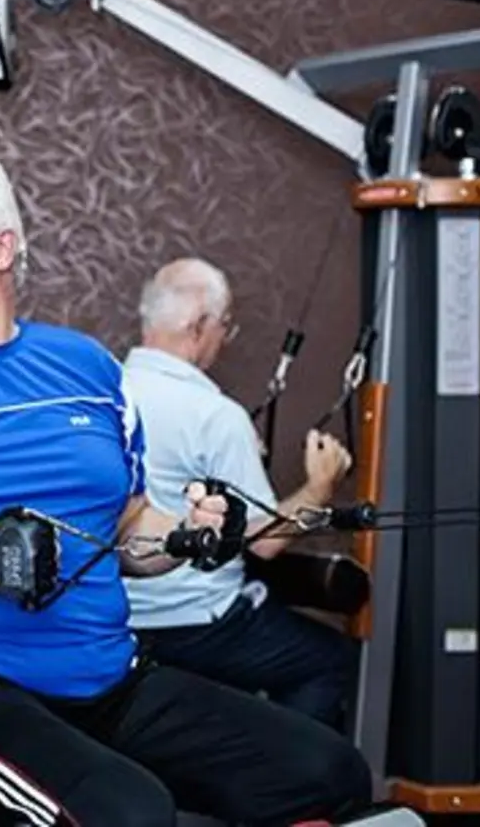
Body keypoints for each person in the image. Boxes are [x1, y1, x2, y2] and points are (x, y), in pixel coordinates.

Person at [0, 148, 374, 827]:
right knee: (130, 816)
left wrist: (189, 535)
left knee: (327, 773)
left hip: (103, 679)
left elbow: (127, 531)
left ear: (1, 247)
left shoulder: (88, 368)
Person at [118, 258, 359, 729]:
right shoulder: (214, 415)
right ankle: (292, 788)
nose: (224, 340)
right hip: (197, 622)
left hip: (125, 619)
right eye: (225, 326)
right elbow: (266, 542)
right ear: (200, 326)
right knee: (333, 661)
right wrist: (320, 486)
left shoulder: (107, 393)